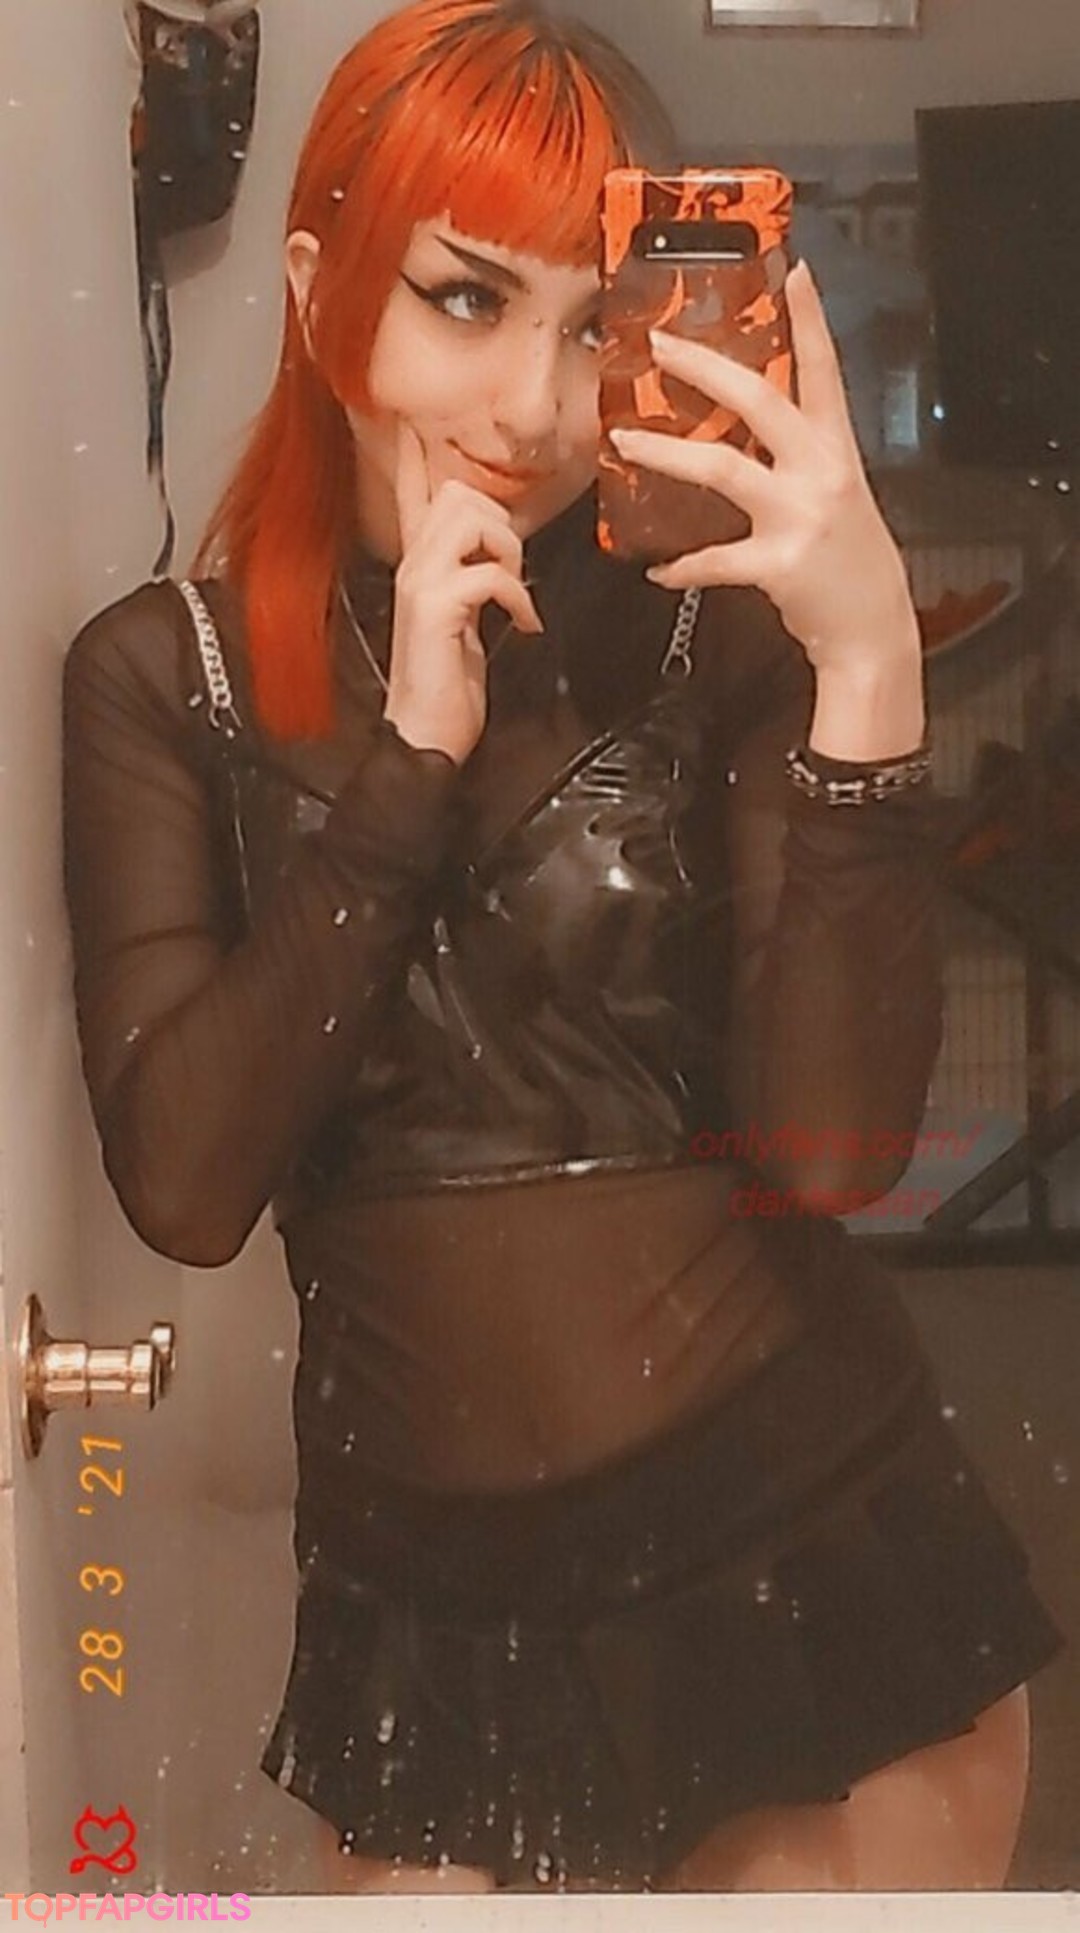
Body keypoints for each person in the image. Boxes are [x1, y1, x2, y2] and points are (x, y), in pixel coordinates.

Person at [62, 0, 1062, 1896]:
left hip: (806, 1562)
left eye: (596, 323)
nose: (534, 405)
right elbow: (186, 1181)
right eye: (465, 298)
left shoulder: (711, 628)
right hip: (435, 1626)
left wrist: (868, 668)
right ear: (317, 288)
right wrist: (409, 763)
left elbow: (837, 1155)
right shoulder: (162, 676)